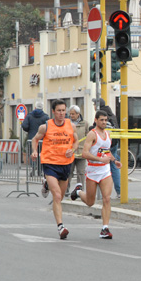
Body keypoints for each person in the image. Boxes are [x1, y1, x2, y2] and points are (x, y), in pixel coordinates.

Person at [70, 111, 122, 239]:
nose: (104, 122)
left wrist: (114, 161)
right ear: (96, 120)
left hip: (105, 171)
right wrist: (100, 160)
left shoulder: (107, 135)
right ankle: (78, 192)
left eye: (105, 120)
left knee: (107, 199)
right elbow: (84, 154)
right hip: (93, 171)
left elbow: (106, 152)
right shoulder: (92, 134)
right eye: (102, 120)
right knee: (90, 202)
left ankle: (105, 228)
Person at [31, 99, 78, 239]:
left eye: (64, 110)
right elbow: (35, 139)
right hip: (50, 163)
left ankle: (45, 183)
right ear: (53, 112)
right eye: (59, 111)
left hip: (65, 164)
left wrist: (72, 150)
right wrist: (34, 151)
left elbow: (75, 141)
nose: (62, 113)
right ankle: (60, 226)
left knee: (60, 197)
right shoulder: (45, 126)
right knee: (56, 196)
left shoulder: (71, 125)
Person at [93, 98, 120, 198]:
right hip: (113, 143)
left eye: (94, 104)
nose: (94, 106)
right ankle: (119, 191)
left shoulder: (101, 116)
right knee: (113, 165)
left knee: (108, 165)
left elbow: (95, 129)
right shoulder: (111, 114)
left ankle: (104, 192)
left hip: (106, 144)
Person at [22, 101, 49, 175]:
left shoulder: (29, 116)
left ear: (35, 107)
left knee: (32, 154)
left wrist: (29, 130)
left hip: (32, 138)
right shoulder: (45, 117)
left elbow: (24, 125)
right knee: (41, 154)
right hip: (42, 139)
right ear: (42, 108)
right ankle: (40, 171)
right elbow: (49, 127)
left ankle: (33, 169)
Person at [66, 105, 88, 197]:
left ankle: (79, 191)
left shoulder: (85, 123)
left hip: (81, 152)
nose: (71, 115)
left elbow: (88, 136)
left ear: (78, 114)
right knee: (68, 172)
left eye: (73, 114)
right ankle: (66, 189)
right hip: (70, 152)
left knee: (81, 172)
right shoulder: (67, 123)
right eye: (70, 114)